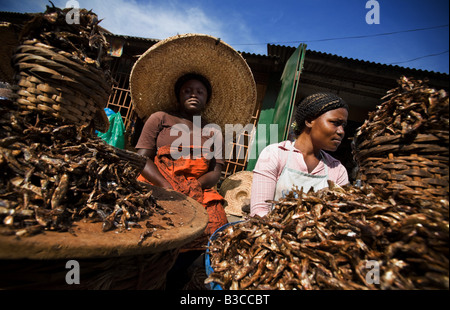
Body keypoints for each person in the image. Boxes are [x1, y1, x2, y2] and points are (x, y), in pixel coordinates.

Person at [129, 33, 257, 289]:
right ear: (178, 95)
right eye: (187, 90)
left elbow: (216, 170)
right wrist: (167, 187)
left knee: (213, 227)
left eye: (200, 91)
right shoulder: (160, 118)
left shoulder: (214, 131)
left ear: (207, 98)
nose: (193, 94)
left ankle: (177, 275)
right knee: (148, 232)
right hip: (157, 183)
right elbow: (141, 158)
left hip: (198, 189)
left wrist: (195, 186)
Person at [250, 92, 350, 218]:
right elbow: (259, 211)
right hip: (272, 234)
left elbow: (338, 217)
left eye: (344, 125)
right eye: (335, 123)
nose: (341, 131)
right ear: (309, 121)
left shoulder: (337, 170)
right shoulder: (275, 154)